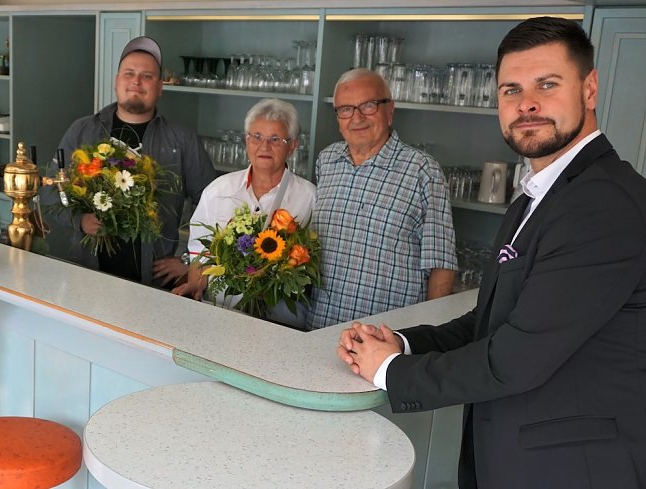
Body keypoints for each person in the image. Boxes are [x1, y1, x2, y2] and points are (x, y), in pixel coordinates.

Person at [338, 17, 646, 489]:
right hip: (524, 457)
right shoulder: (539, 196)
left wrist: (392, 371)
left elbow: (515, 358)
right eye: (510, 90)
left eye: (547, 84)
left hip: (571, 469)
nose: (527, 104)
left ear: (589, 89)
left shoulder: (601, 203)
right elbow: (490, 321)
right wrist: (403, 343)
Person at [42, 36, 216, 286]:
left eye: (147, 76)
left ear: (160, 87)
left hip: (153, 284)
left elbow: (213, 206)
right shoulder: (82, 131)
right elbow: (50, 190)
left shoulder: (182, 139)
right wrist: (79, 219)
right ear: (116, 82)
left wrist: (189, 260)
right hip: (87, 274)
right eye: (129, 73)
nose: (136, 81)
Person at [308, 68, 457, 330]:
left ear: (390, 110)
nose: (356, 118)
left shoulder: (422, 170)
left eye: (368, 105)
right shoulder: (327, 161)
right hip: (320, 327)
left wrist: (427, 337)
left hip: (385, 337)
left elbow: (442, 265)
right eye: (345, 109)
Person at [172, 98, 316, 328]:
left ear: (293, 145)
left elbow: (312, 264)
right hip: (221, 317)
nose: (264, 146)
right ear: (246, 140)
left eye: (275, 139)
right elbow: (200, 250)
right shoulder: (218, 190)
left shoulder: (309, 198)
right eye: (256, 137)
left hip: (281, 324)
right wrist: (195, 283)